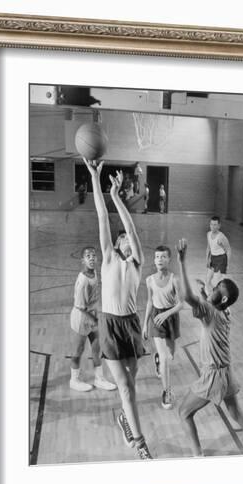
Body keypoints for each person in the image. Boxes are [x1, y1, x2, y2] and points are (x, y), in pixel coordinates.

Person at [83, 158, 153, 460]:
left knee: (132, 381)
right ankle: (140, 444)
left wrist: (118, 198)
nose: (124, 237)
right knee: (125, 387)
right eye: (120, 237)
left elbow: (133, 230)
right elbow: (102, 218)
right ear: (115, 243)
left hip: (131, 325)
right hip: (111, 325)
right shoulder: (109, 257)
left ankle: (126, 418)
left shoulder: (136, 263)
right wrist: (97, 181)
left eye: (126, 237)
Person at [175, 238, 243, 457]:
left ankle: (198, 456)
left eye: (217, 287)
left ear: (223, 297)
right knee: (235, 411)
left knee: (183, 413)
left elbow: (187, 297)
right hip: (227, 372)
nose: (213, 287)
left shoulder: (210, 313)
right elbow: (212, 300)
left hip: (213, 376)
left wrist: (182, 261)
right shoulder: (226, 312)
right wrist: (205, 292)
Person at [69, 246, 117, 392]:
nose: (91, 258)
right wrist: (96, 321)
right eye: (87, 256)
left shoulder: (94, 273)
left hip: (92, 316)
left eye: (93, 255)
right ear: (82, 260)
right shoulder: (83, 280)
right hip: (82, 319)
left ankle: (99, 378)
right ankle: (74, 380)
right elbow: (80, 307)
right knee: (78, 350)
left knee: (97, 348)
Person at [142, 246, 183, 410]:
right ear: (154, 260)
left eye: (163, 257)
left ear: (169, 259)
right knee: (166, 358)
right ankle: (166, 392)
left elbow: (181, 304)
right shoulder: (149, 280)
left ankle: (158, 359)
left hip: (171, 317)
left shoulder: (175, 279)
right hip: (156, 319)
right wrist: (145, 323)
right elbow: (150, 302)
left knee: (171, 355)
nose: (160, 259)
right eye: (157, 257)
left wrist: (167, 314)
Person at [205, 216, 231, 295]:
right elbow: (209, 247)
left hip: (221, 259)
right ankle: (211, 294)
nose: (213, 226)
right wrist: (207, 259)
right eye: (211, 224)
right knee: (208, 280)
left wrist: (227, 264)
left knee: (217, 281)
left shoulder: (221, 237)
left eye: (215, 225)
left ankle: (220, 297)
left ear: (219, 226)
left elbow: (229, 249)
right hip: (213, 258)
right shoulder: (208, 234)